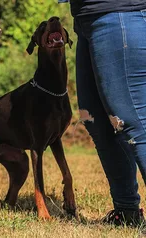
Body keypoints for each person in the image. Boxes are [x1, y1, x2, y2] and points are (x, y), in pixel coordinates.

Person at [60, 0, 146, 226]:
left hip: (120, 13)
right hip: (89, 18)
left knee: (134, 120)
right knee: (95, 119)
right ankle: (127, 212)